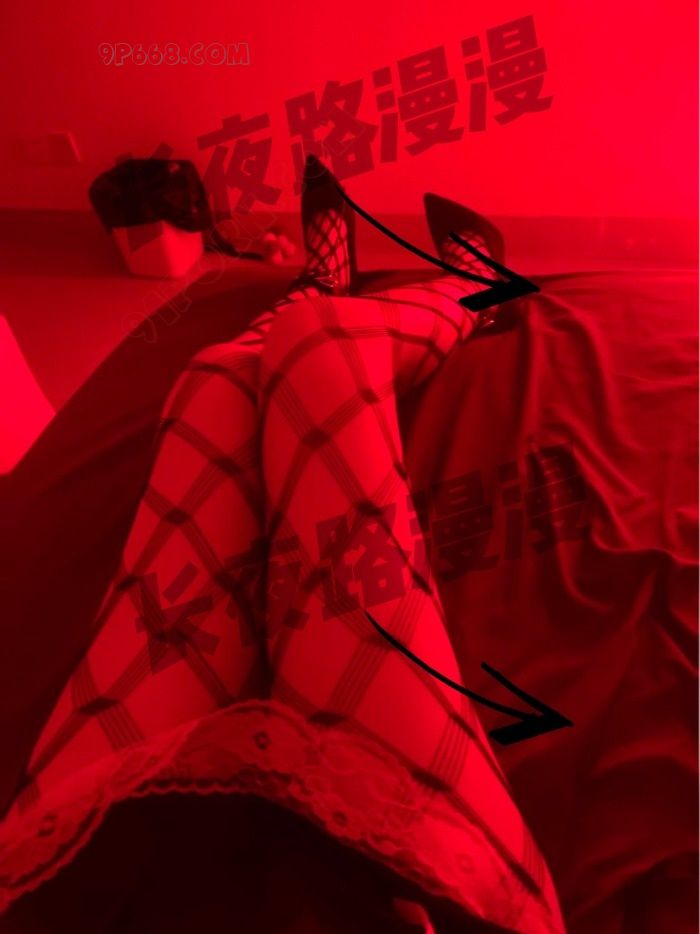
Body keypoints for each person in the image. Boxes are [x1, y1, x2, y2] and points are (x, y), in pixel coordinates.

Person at [0, 157, 563, 933]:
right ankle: (467, 290)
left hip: (96, 895)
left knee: (214, 378)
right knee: (320, 346)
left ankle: (324, 287)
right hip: (374, 897)